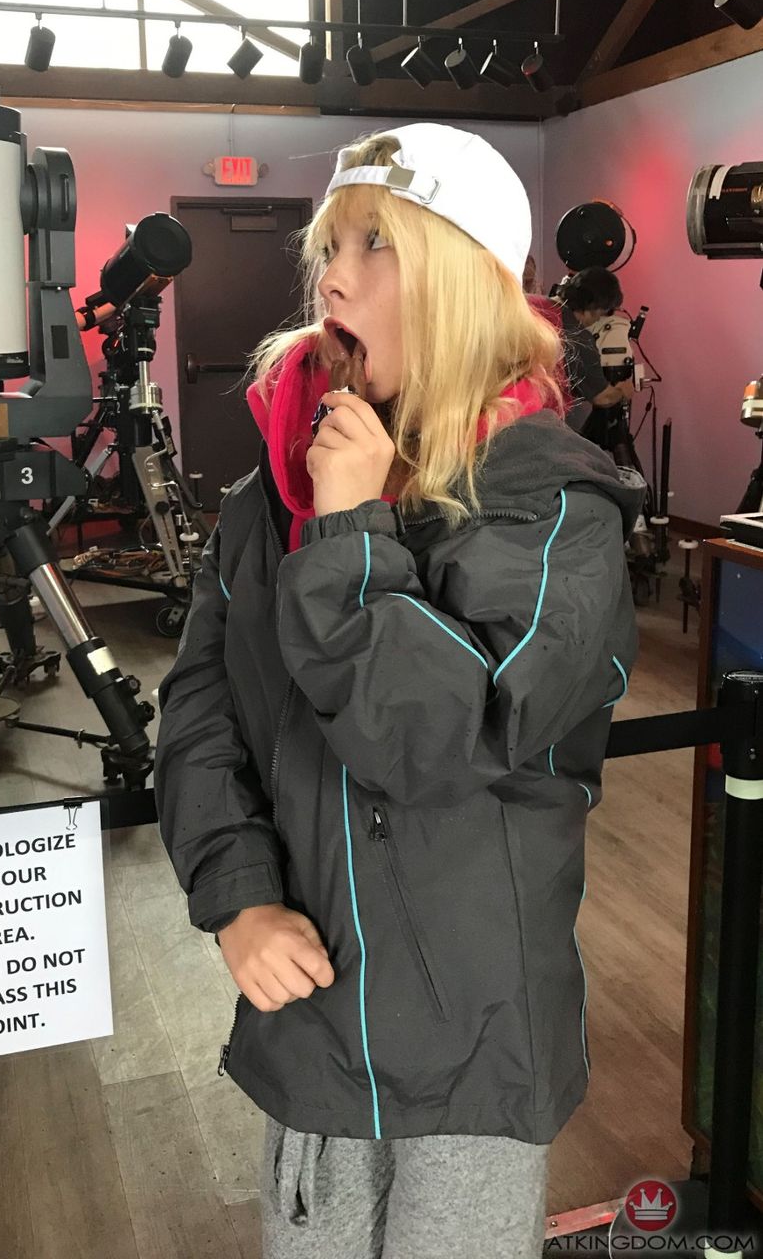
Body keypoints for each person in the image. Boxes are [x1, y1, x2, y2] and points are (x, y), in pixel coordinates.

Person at [154, 123, 642, 1259]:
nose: (331, 278)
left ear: (464, 277)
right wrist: (236, 896)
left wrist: (352, 536)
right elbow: (200, 715)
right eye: (329, 247)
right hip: (310, 1018)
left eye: (374, 243)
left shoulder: (554, 508)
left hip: (477, 1035)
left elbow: (432, 746)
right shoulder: (269, 496)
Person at [531, 267, 634, 436]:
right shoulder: (578, 337)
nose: (598, 320)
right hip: (538, 423)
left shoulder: (533, 303)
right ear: (594, 306)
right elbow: (602, 397)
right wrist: (622, 391)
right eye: (601, 314)